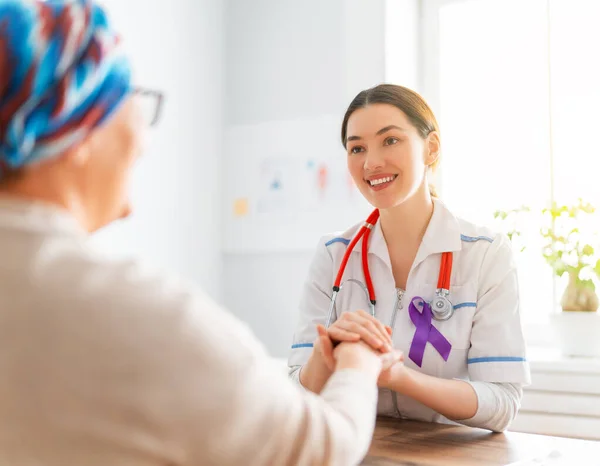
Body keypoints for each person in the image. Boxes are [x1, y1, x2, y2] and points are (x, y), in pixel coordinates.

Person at [0, 1, 403, 465]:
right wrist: (359, 360)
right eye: (128, 98)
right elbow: (320, 449)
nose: (144, 136)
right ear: (75, 126)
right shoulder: (141, 318)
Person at [288, 84, 531, 433]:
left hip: (449, 456)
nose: (371, 163)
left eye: (390, 140)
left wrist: (398, 376)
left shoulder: (485, 254)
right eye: (357, 148)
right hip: (359, 448)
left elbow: (502, 403)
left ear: (430, 148)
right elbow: (297, 390)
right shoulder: (334, 255)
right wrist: (323, 355)